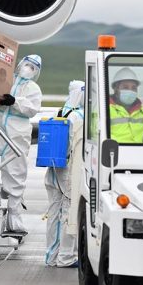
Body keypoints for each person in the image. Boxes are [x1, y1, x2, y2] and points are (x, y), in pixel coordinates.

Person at [0, 54, 43, 236]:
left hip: (17, 133)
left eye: (33, 68)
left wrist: (15, 102)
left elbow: (33, 109)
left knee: (16, 175)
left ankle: (15, 216)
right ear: (19, 64)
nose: (28, 69)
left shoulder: (33, 89)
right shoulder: (3, 78)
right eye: (27, 65)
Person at [44, 80, 84, 267]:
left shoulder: (59, 112)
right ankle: (66, 257)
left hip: (53, 170)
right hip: (69, 172)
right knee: (69, 213)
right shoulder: (79, 116)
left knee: (53, 213)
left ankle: (51, 256)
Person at [109, 67, 143, 143]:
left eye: (134, 88)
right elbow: (100, 134)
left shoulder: (141, 112)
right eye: (125, 87)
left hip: (139, 151)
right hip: (116, 150)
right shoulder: (105, 110)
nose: (130, 91)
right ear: (116, 89)